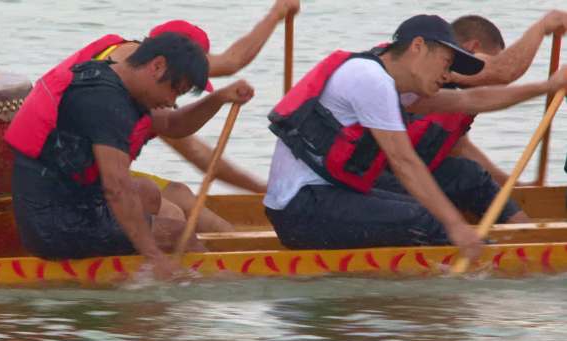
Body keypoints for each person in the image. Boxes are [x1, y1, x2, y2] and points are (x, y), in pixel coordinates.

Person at [263, 14, 567, 261]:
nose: (448, 76)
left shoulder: (394, 84)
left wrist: (545, 87)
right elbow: (404, 162)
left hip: (324, 199)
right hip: (301, 210)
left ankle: (483, 263)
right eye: (446, 64)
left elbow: (470, 101)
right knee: (426, 218)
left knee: (430, 209)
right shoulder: (370, 79)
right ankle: (490, 271)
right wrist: (456, 226)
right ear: (418, 47)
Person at [6, 32, 253, 278]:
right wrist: (154, 255)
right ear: (157, 66)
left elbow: (172, 124)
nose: (171, 101)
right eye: (174, 91)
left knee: (147, 191)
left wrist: (219, 98)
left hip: (72, 203)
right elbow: (117, 187)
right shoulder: (105, 102)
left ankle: (126, 272)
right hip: (55, 226)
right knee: (180, 234)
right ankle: (209, 290)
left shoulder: (114, 78)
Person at [373, 11, 567, 224]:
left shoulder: (429, 91)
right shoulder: (412, 69)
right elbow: (503, 71)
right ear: (472, 49)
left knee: (467, 173)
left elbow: (463, 149)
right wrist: (543, 26)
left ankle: (527, 236)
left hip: (398, 172)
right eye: (446, 63)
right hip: (373, 179)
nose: (447, 74)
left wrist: (518, 187)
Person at [129, 0, 299, 232]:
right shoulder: (131, 83)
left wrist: (263, 189)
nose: (175, 100)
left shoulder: (153, 86)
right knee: (172, 214)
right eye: (182, 87)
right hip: (89, 184)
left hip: (115, 177)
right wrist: (277, 13)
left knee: (180, 194)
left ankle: (234, 252)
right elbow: (232, 62)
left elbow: (203, 157)